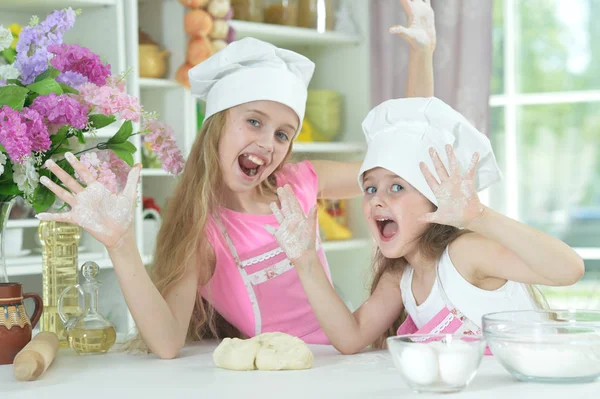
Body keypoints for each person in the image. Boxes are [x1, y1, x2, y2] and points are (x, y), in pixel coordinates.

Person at [35, 0, 438, 359]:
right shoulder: (203, 231)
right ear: (217, 125)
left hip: (347, 356)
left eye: (283, 134)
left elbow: (401, 157)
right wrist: (121, 246)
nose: (268, 142)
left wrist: (422, 55)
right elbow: (167, 341)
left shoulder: (299, 181)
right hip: (277, 376)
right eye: (254, 122)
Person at [266, 96, 585, 355]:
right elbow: (350, 338)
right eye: (371, 188)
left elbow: (569, 269)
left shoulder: (466, 254)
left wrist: (480, 217)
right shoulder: (400, 276)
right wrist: (305, 262)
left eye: (397, 187)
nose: (377, 199)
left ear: (435, 199)